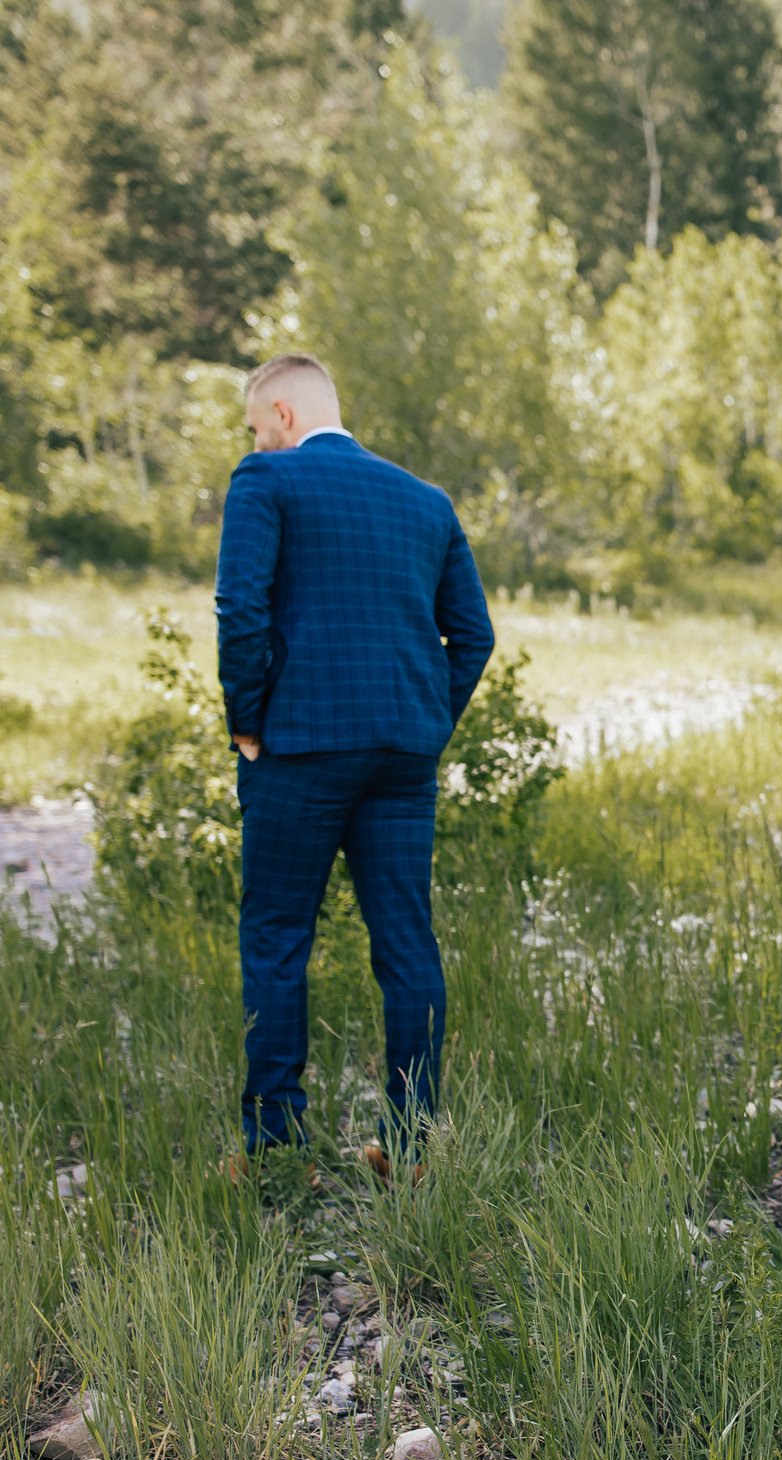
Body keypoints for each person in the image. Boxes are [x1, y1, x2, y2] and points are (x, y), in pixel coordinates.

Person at [214, 352, 495, 1183]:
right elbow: (472, 634)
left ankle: (275, 1148)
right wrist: (425, 722)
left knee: (276, 937)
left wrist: (246, 722)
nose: (257, 438)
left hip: (297, 746)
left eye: (258, 423)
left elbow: (241, 608)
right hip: (401, 754)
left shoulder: (266, 481)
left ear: (286, 416)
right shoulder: (425, 500)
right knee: (408, 944)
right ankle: (406, 1147)